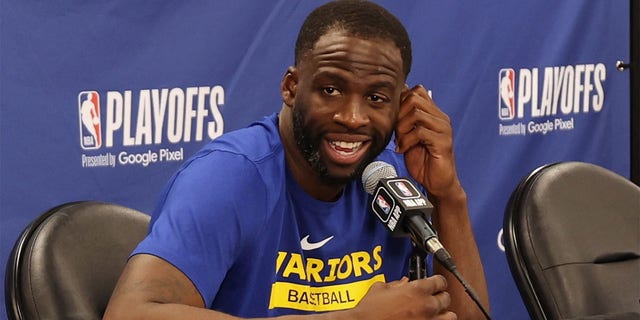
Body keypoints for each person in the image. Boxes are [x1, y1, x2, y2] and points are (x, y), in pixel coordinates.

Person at [103, 1, 489, 319]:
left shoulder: (392, 173)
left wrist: (447, 195)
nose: (353, 117)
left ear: (402, 105)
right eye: (331, 89)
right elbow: (129, 313)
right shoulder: (230, 176)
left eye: (376, 98)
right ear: (291, 87)